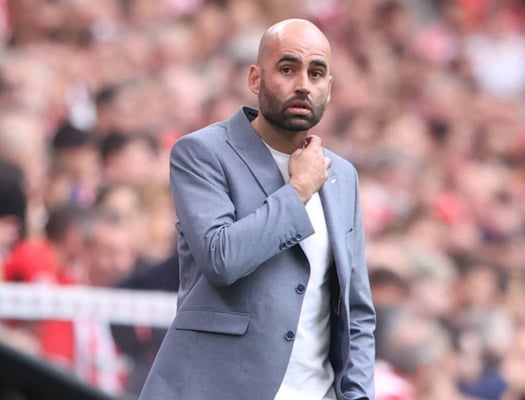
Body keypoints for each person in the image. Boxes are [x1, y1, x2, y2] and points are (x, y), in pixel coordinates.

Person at [139, 18, 376, 400]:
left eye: (316, 73)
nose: (303, 84)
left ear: (329, 89)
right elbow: (221, 259)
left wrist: (358, 394)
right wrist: (299, 190)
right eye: (287, 69)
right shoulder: (202, 152)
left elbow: (356, 310)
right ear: (255, 78)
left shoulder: (342, 175)